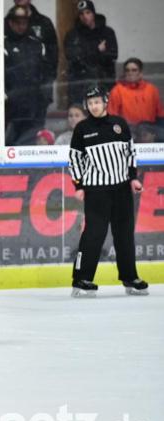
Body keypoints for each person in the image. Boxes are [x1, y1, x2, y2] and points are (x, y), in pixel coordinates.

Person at [68, 85, 148, 297]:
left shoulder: (119, 124)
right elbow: (75, 159)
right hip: (96, 191)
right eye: (90, 103)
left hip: (122, 189)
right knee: (93, 235)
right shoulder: (82, 129)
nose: (94, 106)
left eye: (97, 102)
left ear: (105, 102)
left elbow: (130, 153)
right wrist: (79, 185)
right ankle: (81, 279)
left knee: (124, 234)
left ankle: (130, 277)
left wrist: (133, 179)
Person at [0, 5, 52, 145]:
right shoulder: (0, 44)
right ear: (10, 23)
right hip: (9, 108)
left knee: (34, 144)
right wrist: (2, 94)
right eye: (17, 22)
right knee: (8, 146)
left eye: (24, 22)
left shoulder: (37, 45)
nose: (21, 26)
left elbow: (47, 73)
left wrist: (45, 97)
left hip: (34, 108)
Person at [64, 0, 118, 105]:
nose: (85, 16)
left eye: (88, 12)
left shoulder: (107, 32)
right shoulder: (73, 35)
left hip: (103, 80)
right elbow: (72, 56)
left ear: (93, 13)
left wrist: (86, 54)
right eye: (81, 14)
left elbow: (113, 54)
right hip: (80, 83)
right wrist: (97, 50)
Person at [9, 0, 58, 107]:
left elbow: (53, 57)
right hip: (13, 95)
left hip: (39, 93)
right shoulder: (4, 23)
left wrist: (45, 86)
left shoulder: (43, 22)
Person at [107, 58, 164, 129]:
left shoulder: (152, 89)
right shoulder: (117, 91)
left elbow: (160, 115)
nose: (130, 73)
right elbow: (112, 116)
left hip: (149, 132)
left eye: (134, 70)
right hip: (127, 131)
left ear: (140, 73)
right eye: (127, 70)